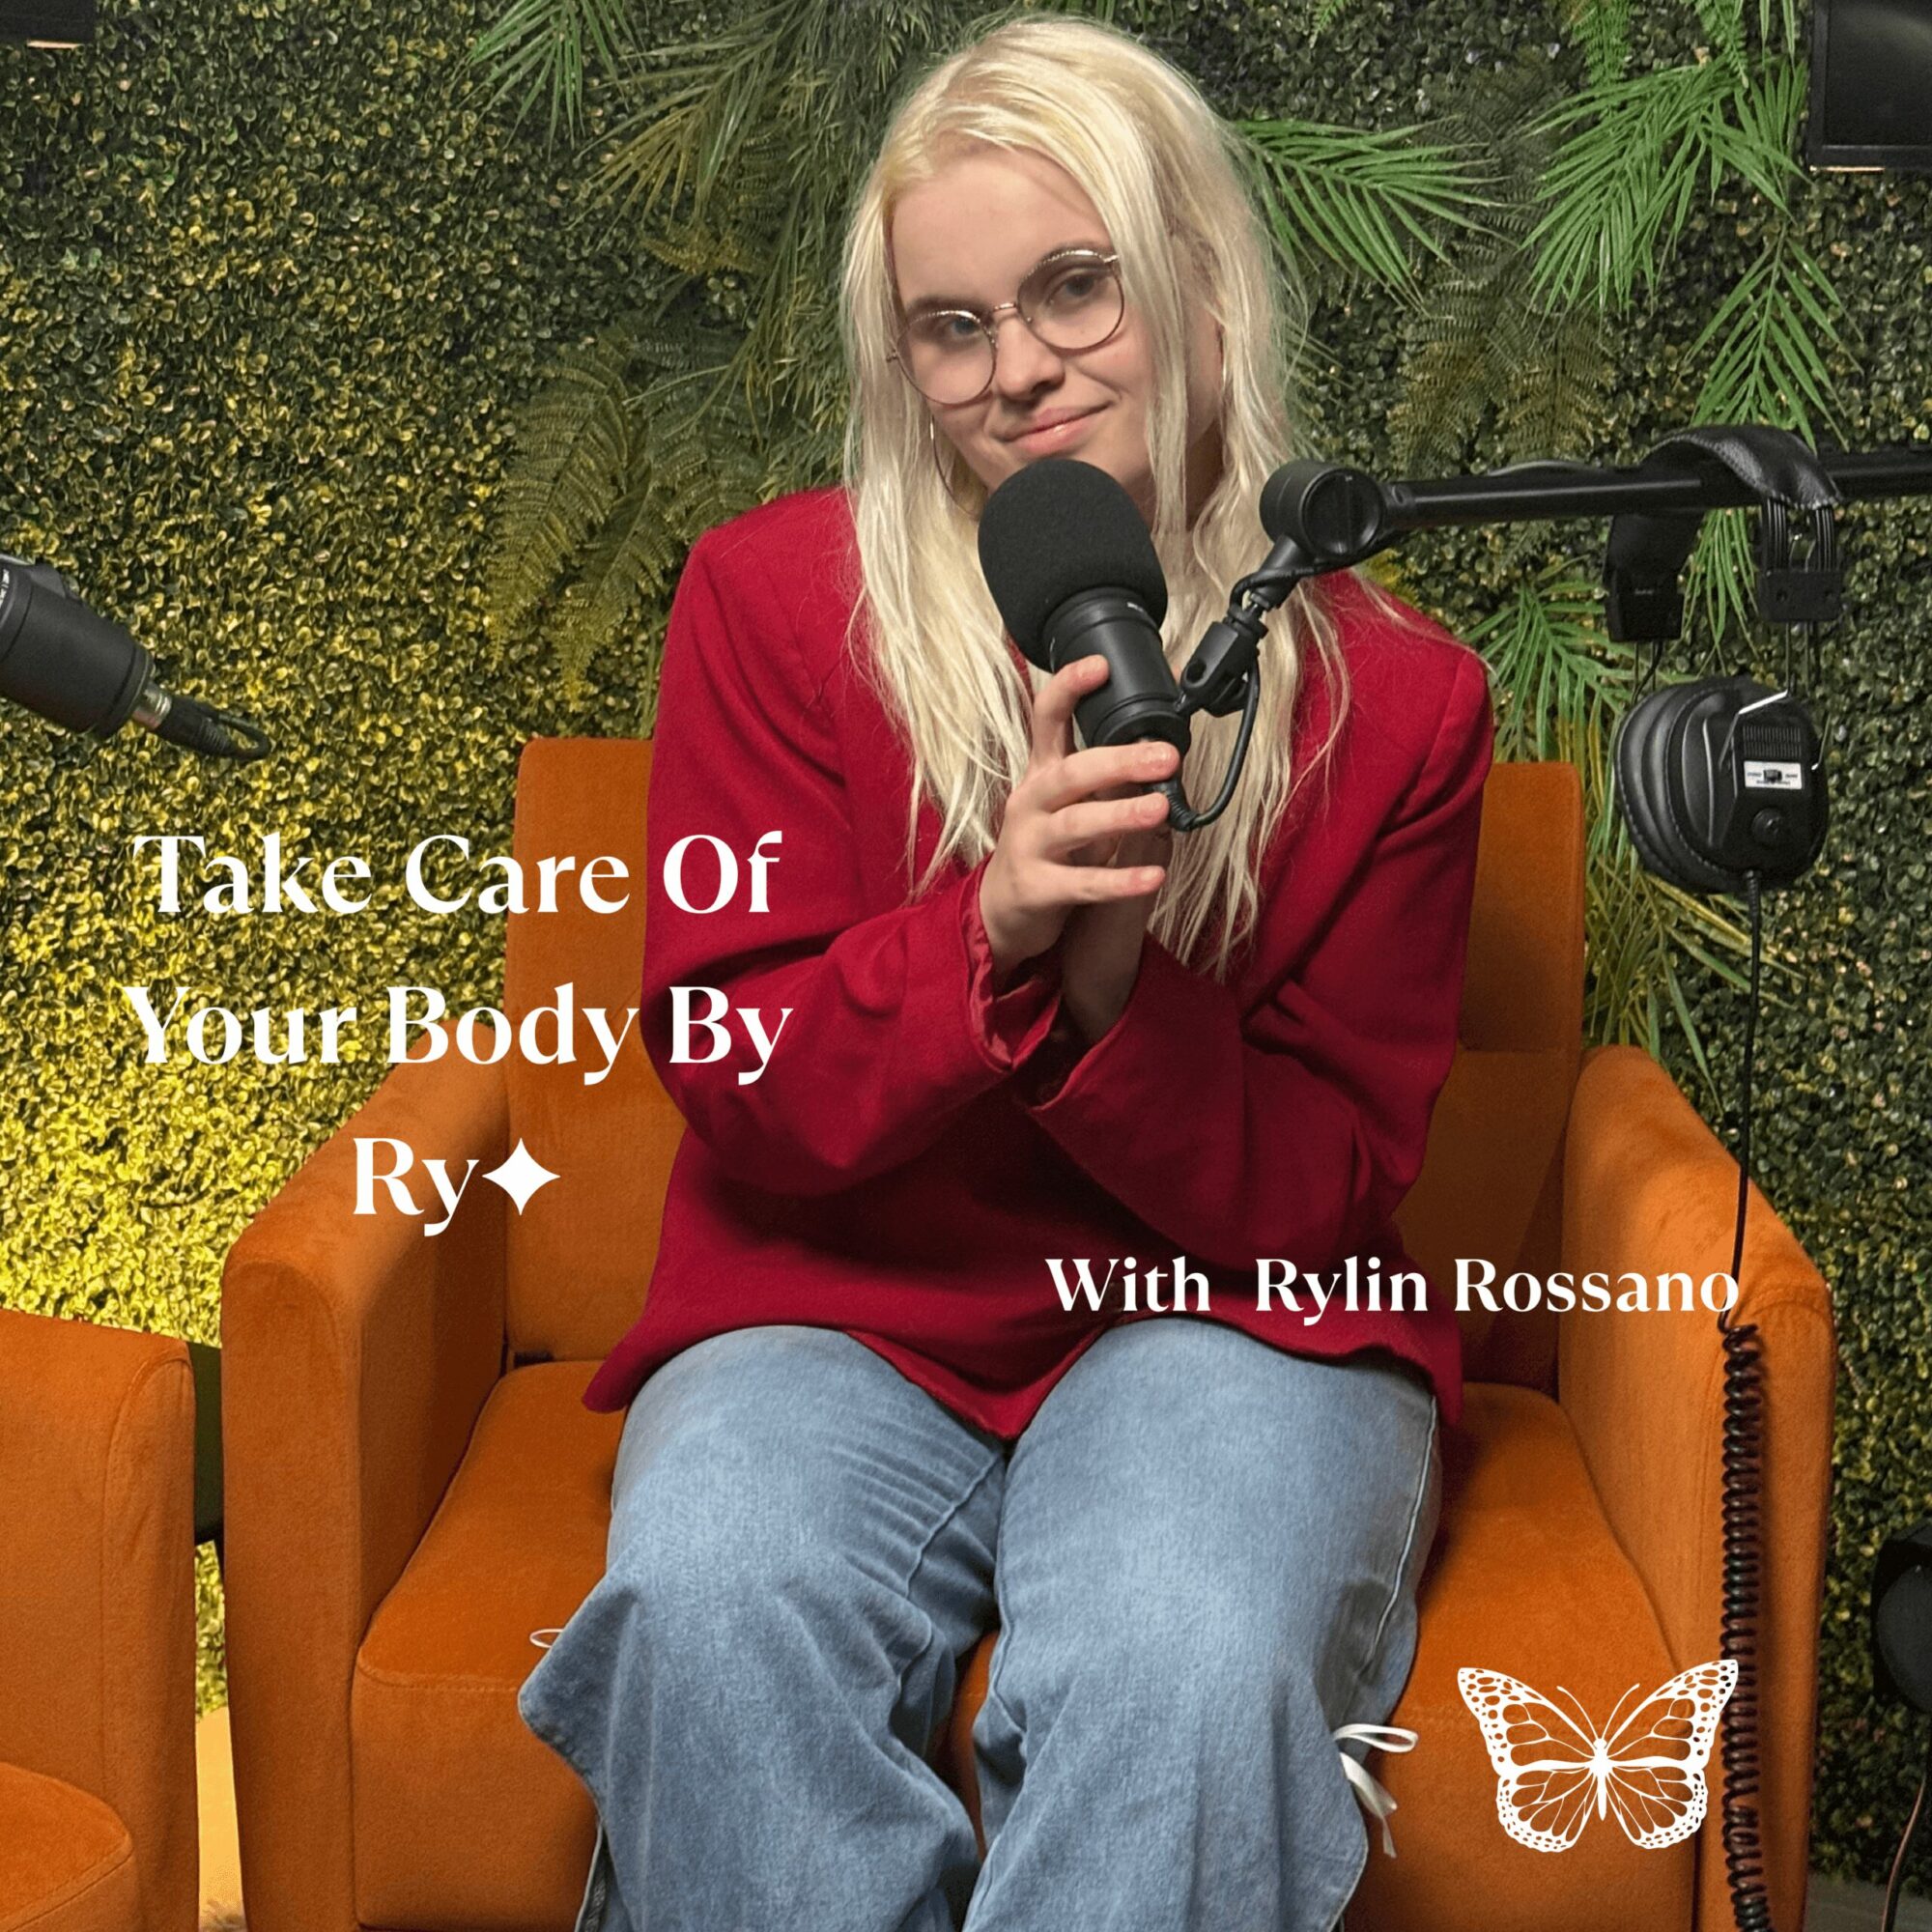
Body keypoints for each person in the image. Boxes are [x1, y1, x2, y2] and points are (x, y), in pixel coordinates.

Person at [518, 14, 1495, 1931]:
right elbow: (740, 1066)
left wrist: (1120, 986)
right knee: (711, 1600)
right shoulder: (770, 603)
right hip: (838, 1303)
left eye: (1072, 288)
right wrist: (985, 932)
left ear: (1200, 289)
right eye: (950, 326)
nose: (1016, 370)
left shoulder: (1402, 702)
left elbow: (1322, 1197)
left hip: (1228, 1325)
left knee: (1184, 1660)